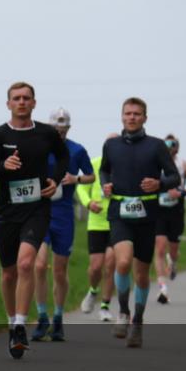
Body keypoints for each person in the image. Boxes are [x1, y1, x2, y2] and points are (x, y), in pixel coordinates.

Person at [0, 82, 68, 359]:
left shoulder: (46, 133)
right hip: (7, 212)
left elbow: (62, 156)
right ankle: (11, 322)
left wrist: (56, 178)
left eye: (26, 98)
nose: (21, 102)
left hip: (37, 209)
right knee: (8, 273)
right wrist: (3, 166)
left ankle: (20, 324)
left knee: (26, 263)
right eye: (16, 98)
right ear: (8, 104)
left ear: (34, 103)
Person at [99, 97, 180, 348]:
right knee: (122, 262)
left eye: (137, 114)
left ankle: (138, 321)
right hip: (120, 210)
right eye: (127, 113)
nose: (132, 117)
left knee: (142, 272)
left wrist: (160, 184)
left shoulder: (156, 146)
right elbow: (104, 170)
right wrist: (105, 184)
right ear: (121, 116)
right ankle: (123, 312)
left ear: (145, 117)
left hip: (147, 212)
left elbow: (174, 177)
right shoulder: (111, 145)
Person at [32, 108, 95, 341]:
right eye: (55, 128)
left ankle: (58, 318)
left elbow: (91, 176)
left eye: (63, 128)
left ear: (69, 128)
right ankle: (41, 316)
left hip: (63, 214)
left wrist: (75, 179)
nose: (59, 131)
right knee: (39, 266)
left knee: (59, 270)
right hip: (40, 211)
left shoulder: (77, 150)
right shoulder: (39, 147)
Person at [75, 135, 118, 321]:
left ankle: (105, 305)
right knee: (95, 268)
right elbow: (81, 188)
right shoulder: (94, 164)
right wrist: (88, 203)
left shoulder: (125, 167)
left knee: (111, 263)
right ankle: (93, 291)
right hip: (96, 223)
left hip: (117, 222)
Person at [153, 135, 186, 304]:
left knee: (173, 250)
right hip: (159, 210)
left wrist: (181, 193)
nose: (170, 147)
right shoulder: (155, 163)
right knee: (159, 249)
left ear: (177, 148)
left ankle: (173, 262)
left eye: (173, 145)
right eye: (166, 145)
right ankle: (163, 288)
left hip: (176, 211)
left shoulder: (184, 165)